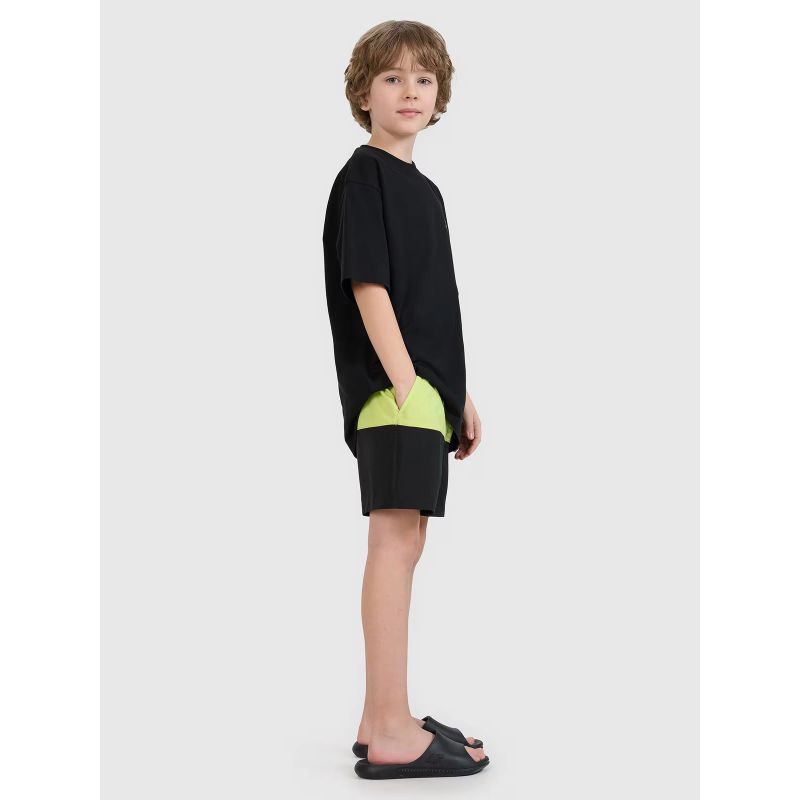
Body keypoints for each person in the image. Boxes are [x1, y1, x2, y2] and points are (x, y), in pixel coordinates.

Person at [322, 20, 488, 780]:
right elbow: (369, 283)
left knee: (407, 542)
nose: (410, 90)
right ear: (364, 93)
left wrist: (457, 395)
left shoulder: (423, 189)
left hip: (423, 394)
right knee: (393, 543)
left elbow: (430, 305)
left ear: (440, 94)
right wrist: (406, 383)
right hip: (398, 393)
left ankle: (380, 715)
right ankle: (392, 728)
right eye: (392, 77)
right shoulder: (365, 176)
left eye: (424, 78)